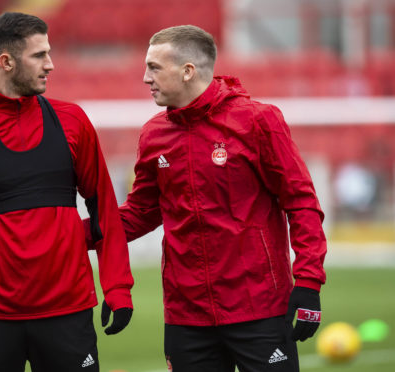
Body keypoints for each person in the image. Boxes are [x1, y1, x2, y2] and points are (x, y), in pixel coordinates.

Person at [86, 25, 326, 371]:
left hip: (258, 307)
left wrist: (308, 281)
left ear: (187, 71)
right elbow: (140, 213)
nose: (144, 78)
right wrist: (70, 235)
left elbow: (301, 202)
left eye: (154, 67)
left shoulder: (258, 121)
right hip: (187, 315)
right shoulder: (154, 135)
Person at [0, 12, 133, 372]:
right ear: (6, 62)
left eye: (48, 53)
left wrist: (117, 287)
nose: (50, 65)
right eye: (39, 55)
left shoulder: (74, 123)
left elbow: (105, 212)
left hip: (68, 312)